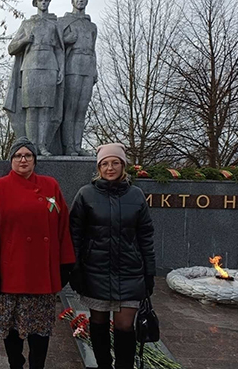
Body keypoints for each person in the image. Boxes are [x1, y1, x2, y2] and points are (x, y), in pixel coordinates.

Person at [0, 136, 76, 369]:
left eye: (28, 155)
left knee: (40, 330)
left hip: (42, 272)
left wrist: (65, 263)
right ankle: (16, 364)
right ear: (11, 159)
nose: (23, 160)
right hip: (11, 271)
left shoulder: (51, 185)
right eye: (18, 155)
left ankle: (37, 365)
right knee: (11, 329)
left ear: (34, 159)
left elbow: (63, 227)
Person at [69, 143, 156, 369]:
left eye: (115, 162)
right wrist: (75, 268)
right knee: (98, 322)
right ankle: (103, 365)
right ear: (99, 167)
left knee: (125, 325)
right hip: (95, 271)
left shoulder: (136, 195)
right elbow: (74, 234)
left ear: (123, 165)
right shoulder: (85, 194)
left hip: (130, 271)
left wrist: (149, 272)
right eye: (105, 163)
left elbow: (146, 236)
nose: (110, 167)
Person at [4, 0, 64, 156]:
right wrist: (24, 40)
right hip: (30, 68)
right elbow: (11, 48)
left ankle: (43, 145)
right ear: (36, 2)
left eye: (46, 0)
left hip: (50, 67)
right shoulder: (27, 24)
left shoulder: (54, 24)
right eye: (41, 0)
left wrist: (61, 69)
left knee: (45, 108)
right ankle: (31, 147)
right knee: (31, 109)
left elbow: (60, 50)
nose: (44, 3)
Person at [58, 0, 98, 156]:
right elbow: (56, 43)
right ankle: (68, 147)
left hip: (88, 65)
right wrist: (66, 40)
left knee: (82, 108)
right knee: (71, 108)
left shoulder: (91, 25)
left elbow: (93, 48)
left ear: (87, 1)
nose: (81, 0)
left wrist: (95, 68)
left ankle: (77, 145)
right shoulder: (64, 21)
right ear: (72, 1)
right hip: (72, 64)